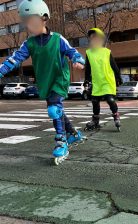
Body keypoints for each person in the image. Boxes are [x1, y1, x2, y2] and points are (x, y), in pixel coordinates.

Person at [0, 0, 85, 165]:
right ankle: (73, 134)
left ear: (44, 18)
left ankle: (61, 142)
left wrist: (78, 60)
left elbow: (72, 51)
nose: (29, 26)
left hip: (60, 79)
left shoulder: (57, 39)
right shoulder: (29, 44)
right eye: (26, 22)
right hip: (45, 81)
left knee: (54, 109)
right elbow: (14, 59)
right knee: (57, 109)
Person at [84, 28, 122, 131]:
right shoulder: (89, 53)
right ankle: (95, 121)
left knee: (109, 99)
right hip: (97, 82)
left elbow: (114, 66)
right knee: (95, 101)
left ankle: (116, 116)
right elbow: (88, 68)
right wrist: (86, 80)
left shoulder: (106, 52)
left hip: (107, 81)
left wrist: (118, 77)